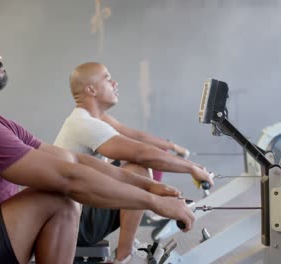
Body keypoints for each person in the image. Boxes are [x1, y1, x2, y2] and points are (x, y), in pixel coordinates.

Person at [0, 24, 196, 264]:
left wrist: (148, 186)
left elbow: (73, 160)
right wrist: (155, 203)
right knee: (59, 196)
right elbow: (68, 177)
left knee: (63, 191)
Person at [54, 62, 214, 264]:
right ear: (91, 89)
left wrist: (172, 146)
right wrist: (191, 168)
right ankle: (125, 256)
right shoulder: (85, 124)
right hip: (74, 223)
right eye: (107, 77)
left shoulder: (91, 119)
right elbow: (141, 153)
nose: (115, 82)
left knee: (132, 169)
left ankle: (126, 249)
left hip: (72, 216)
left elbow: (134, 137)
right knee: (138, 169)